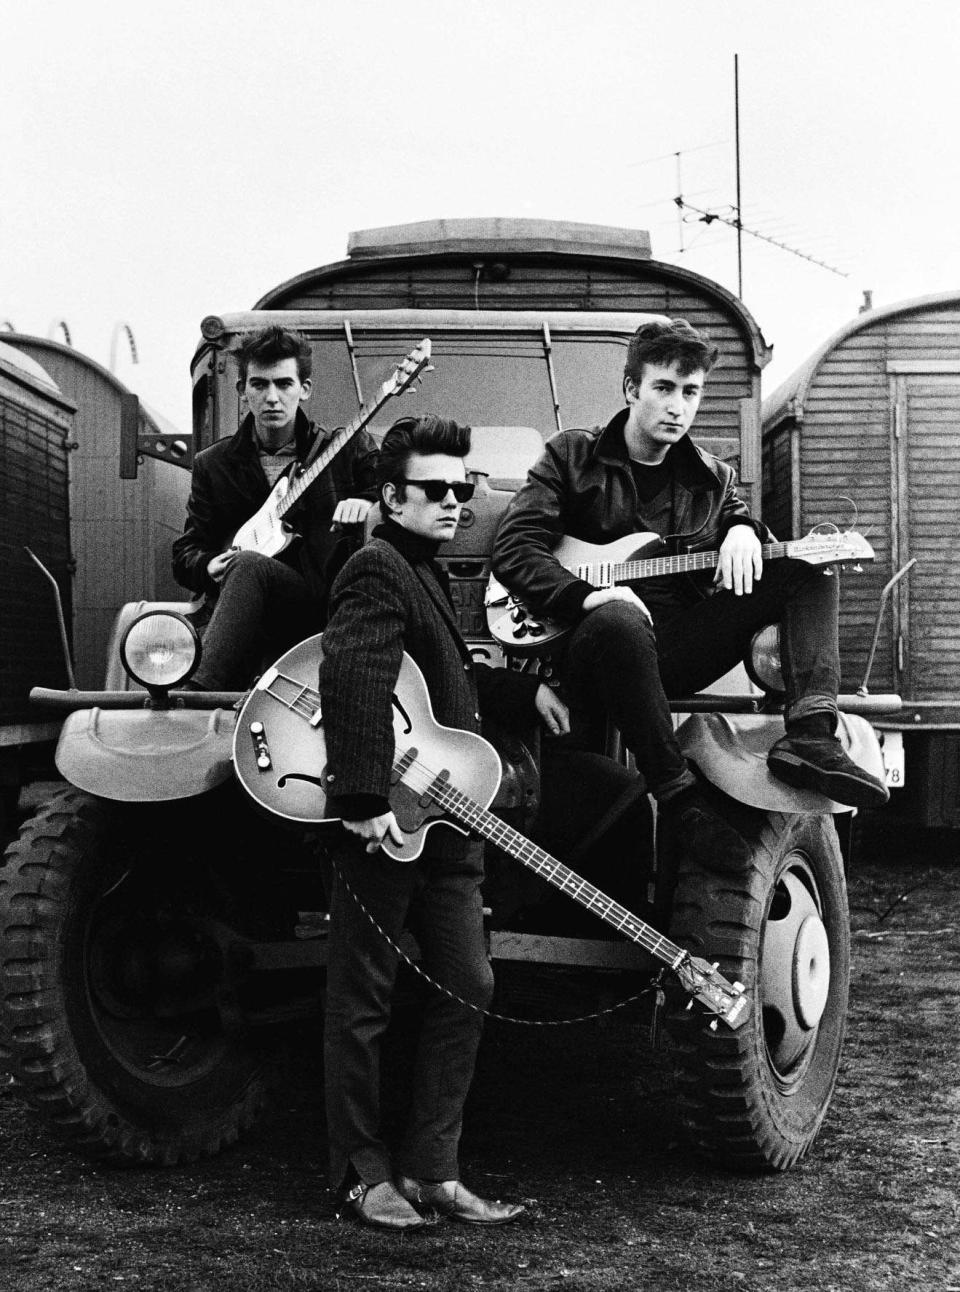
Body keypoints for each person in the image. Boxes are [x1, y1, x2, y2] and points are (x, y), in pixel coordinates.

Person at [491, 318, 888, 871]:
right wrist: (585, 597)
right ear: (632, 389)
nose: (678, 406)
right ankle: (679, 797)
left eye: (691, 391)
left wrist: (747, 531)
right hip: (582, 652)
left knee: (809, 567)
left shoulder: (714, 481)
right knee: (618, 619)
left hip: (672, 650)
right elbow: (514, 547)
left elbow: (743, 525)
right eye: (663, 388)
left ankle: (812, 737)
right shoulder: (572, 456)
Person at [317, 415, 572, 1231]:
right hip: (388, 818)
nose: (455, 502)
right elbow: (353, 673)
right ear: (390, 496)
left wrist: (515, 692)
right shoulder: (377, 567)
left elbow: (438, 686)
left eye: (464, 488)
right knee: (363, 998)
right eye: (435, 489)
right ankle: (361, 1174)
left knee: (470, 981)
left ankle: (433, 1170)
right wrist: (360, 806)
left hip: (447, 820)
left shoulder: (424, 570)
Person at [172, 326, 378, 691]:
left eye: (284, 384)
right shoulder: (212, 464)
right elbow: (186, 552)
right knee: (246, 565)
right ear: (242, 391)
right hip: (241, 615)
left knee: (249, 565)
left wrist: (367, 504)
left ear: (305, 389)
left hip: (320, 606)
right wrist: (207, 564)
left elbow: (393, 493)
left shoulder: (346, 449)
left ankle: (197, 691)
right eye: (259, 385)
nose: (272, 397)